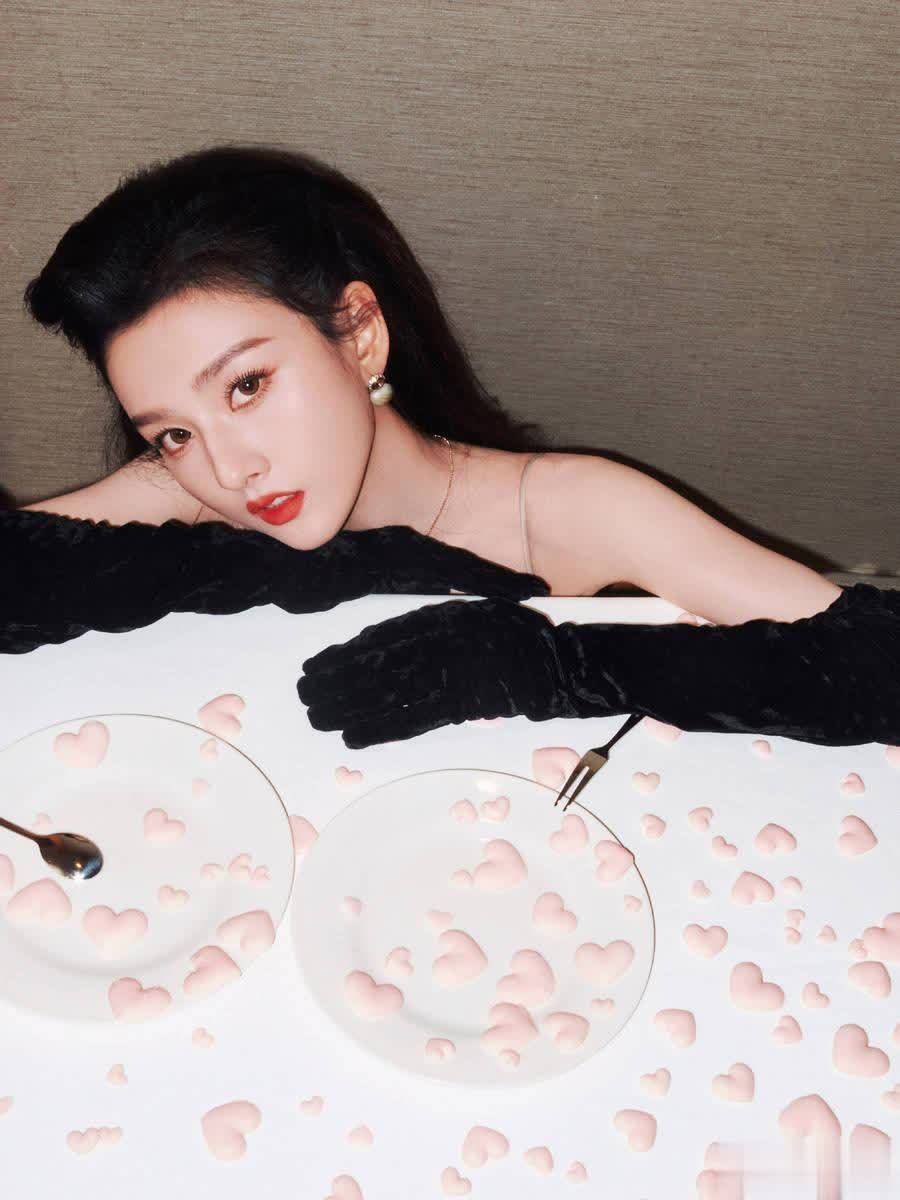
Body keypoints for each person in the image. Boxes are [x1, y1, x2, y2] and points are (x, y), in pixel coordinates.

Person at [19, 143, 841, 628]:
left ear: (359, 332)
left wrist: (569, 667)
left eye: (246, 386)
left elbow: (867, 654)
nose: (232, 470)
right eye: (173, 433)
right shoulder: (190, 490)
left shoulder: (570, 512)